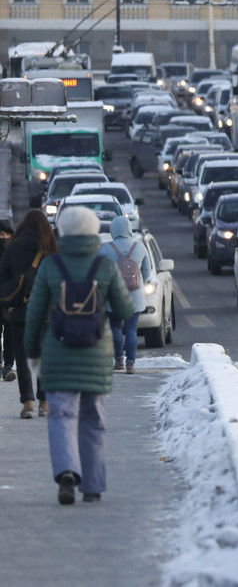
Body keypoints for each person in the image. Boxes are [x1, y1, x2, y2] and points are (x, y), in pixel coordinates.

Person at [25, 206, 132, 505]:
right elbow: (124, 310)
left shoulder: (50, 266)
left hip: (58, 354)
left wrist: (33, 352)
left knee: (61, 414)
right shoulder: (105, 266)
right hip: (96, 354)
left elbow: (34, 315)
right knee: (93, 419)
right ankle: (94, 486)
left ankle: (67, 472)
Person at [0, 210, 57, 418]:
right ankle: (44, 401)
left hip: (18, 310)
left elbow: (2, 277)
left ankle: (28, 402)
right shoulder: (50, 248)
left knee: (22, 358)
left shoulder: (12, 247)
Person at [99, 215, 153, 375]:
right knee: (131, 329)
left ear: (113, 230)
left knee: (115, 327)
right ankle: (131, 363)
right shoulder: (140, 247)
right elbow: (147, 272)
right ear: (129, 229)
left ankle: (118, 360)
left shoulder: (105, 248)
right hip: (135, 297)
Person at [0, 218, 14, 382]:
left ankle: (8, 366)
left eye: (6, 234)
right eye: (0, 234)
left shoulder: (15, 252)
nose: (3, 238)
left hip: (10, 299)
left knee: (10, 333)